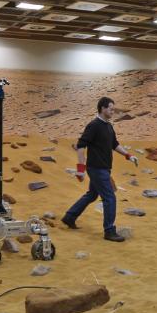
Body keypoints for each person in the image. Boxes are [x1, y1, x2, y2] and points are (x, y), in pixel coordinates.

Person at [62, 96, 138, 241]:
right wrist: (80, 169)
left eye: (114, 109)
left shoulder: (109, 126)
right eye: (111, 109)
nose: (113, 111)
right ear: (102, 108)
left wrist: (128, 155)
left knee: (92, 194)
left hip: (104, 168)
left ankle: (69, 216)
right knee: (110, 197)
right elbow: (80, 146)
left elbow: (114, 144)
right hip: (96, 168)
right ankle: (109, 231)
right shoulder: (94, 125)